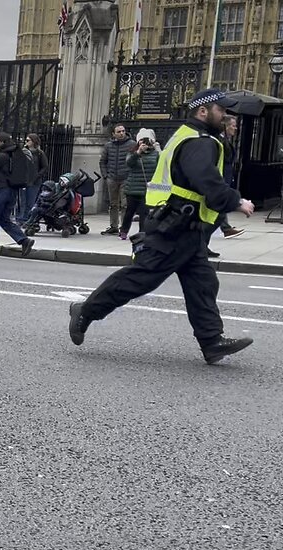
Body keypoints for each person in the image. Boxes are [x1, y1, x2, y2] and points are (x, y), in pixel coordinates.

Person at [69, 89, 254, 365]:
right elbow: (205, 179)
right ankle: (85, 311)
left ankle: (212, 341)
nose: (225, 115)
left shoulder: (192, 136)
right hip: (175, 226)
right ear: (203, 111)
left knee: (202, 282)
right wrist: (235, 200)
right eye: (221, 110)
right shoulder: (198, 142)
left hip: (185, 226)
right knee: (141, 278)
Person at [120, 128, 160, 241]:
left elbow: (162, 166)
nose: (145, 143)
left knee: (144, 212)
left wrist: (159, 149)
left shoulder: (155, 154)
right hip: (133, 188)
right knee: (130, 211)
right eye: (142, 140)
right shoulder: (133, 152)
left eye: (147, 141)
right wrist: (138, 152)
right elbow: (129, 163)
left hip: (147, 188)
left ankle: (142, 233)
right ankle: (123, 231)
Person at [99, 124, 135, 235]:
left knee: (125, 204)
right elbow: (102, 161)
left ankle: (123, 227)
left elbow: (136, 161)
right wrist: (105, 175)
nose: (121, 133)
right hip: (112, 178)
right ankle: (113, 226)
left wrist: (131, 176)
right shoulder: (108, 146)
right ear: (114, 134)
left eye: (123, 131)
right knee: (113, 204)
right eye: (119, 131)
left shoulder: (132, 144)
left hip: (126, 178)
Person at [217, 115, 245, 246]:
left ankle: (225, 228)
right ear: (226, 126)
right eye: (233, 125)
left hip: (226, 176)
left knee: (218, 205)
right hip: (221, 177)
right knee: (219, 203)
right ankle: (226, 228)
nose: (235, 128)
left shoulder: (226, 140)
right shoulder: (219, 140)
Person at [16, 133, 49, 223]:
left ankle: (27, 218)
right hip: (23, 179)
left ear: (34, 141)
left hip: (34, 181)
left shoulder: (39, 153)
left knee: (30, 201)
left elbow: (45, 166)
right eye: (26, 140)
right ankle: (20, 218)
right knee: (22, 201)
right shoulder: (23, 151)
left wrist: (37, 175)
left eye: (28, 140)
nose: (26, 142)